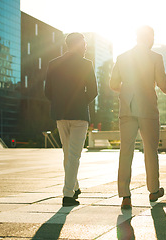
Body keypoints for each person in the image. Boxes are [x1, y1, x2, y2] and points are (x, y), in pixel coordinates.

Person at [110, 26, 166, 209]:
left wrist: (129, 90)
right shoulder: (155, 57)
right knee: (150, 150)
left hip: (127, 107)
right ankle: (153, 190)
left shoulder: (122, 57)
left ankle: (125, 196)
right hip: (147, 107)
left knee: (126, 150)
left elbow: (113, 84)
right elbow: (161, 82)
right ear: (150, 38)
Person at [45, 32, 98, 207]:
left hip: (60, 114)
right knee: (74, 155)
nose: (85, 48)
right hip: (79, 114)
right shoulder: (86, 64)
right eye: (84, 45)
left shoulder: (54, 63)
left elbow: (48, 92)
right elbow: (93, 91)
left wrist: (61, 102)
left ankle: (74, 187)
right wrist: (81, 102)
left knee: (68, 154)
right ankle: (68, 195)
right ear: (78, 45)